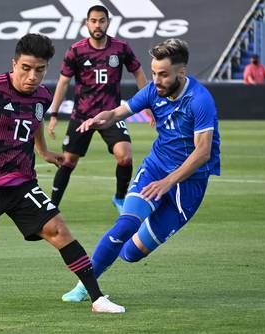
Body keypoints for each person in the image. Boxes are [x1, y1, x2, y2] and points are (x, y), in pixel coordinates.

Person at [0, 33, 125, 313]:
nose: (33, 76)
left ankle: (97, 298)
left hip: (21, 185)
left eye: (40, 70)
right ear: (14, 63)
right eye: (26, 68)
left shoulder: (42, 96)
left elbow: (36, 122)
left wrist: (43, 151)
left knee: (59, 230)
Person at [61, 38, 220, 302]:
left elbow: (202, 153)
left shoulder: (200, 100)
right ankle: (84, 287)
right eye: (154, 73)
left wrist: (168, 183)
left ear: (181, 72)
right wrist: (102, 118)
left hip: (188, 186)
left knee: (131, 254)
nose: (155, 80)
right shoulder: (151, 91)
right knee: (125, 225)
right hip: (155, 170)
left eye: (163, 74)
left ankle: (139, 225)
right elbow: (117, 113)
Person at [46, 5, 149, 212]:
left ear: (108, 22)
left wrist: (148, 103)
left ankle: (120, 199)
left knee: (125, 156)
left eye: (101, 21)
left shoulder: (120, 48)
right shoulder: (76, 51)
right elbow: (63, 82)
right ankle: (51, 206)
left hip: (111, 115)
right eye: (93, 21)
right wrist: (54, 113)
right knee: (68, 162)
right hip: (82, 115)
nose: (97, 25)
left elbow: (138, 72)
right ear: (87, 23)